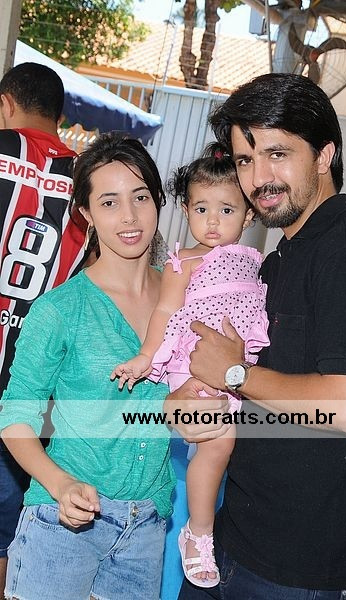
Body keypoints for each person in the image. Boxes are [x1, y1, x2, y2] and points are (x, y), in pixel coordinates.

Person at [164, 73, 346, 599]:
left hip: (296, 570)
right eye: (245, 160)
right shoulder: (274, 262)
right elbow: (239, 383)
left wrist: (234, 373)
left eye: (277, 154)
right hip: (233, 535)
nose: (259, 178)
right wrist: (183, 400)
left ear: (323, 156)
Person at [0, 132, 176, 600]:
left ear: (158, 201)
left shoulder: (184, 298)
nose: (129, 217)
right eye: (110, 202)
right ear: (86, 213)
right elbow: (15, 417)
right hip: (62, 527)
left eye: (141, 197)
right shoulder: (59, 309)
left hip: (146, 528)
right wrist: (60, 484)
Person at [112, 145, 269, 588]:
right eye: (202, 209)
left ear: (249, 215)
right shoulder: (183, 263)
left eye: (226, 210)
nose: (213, 221)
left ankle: (200, 527)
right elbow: (164, 311)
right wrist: (146, 356)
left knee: (222, 447)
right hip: (192, 362)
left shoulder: (252, 261)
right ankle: (198, 533)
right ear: (185, 210)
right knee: (217, 444)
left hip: (234, 370)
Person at [0, 62, 87, 597]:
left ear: (6, 104)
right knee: (9, 537)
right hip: (35, 395)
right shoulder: (89, 183)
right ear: (58, 116)